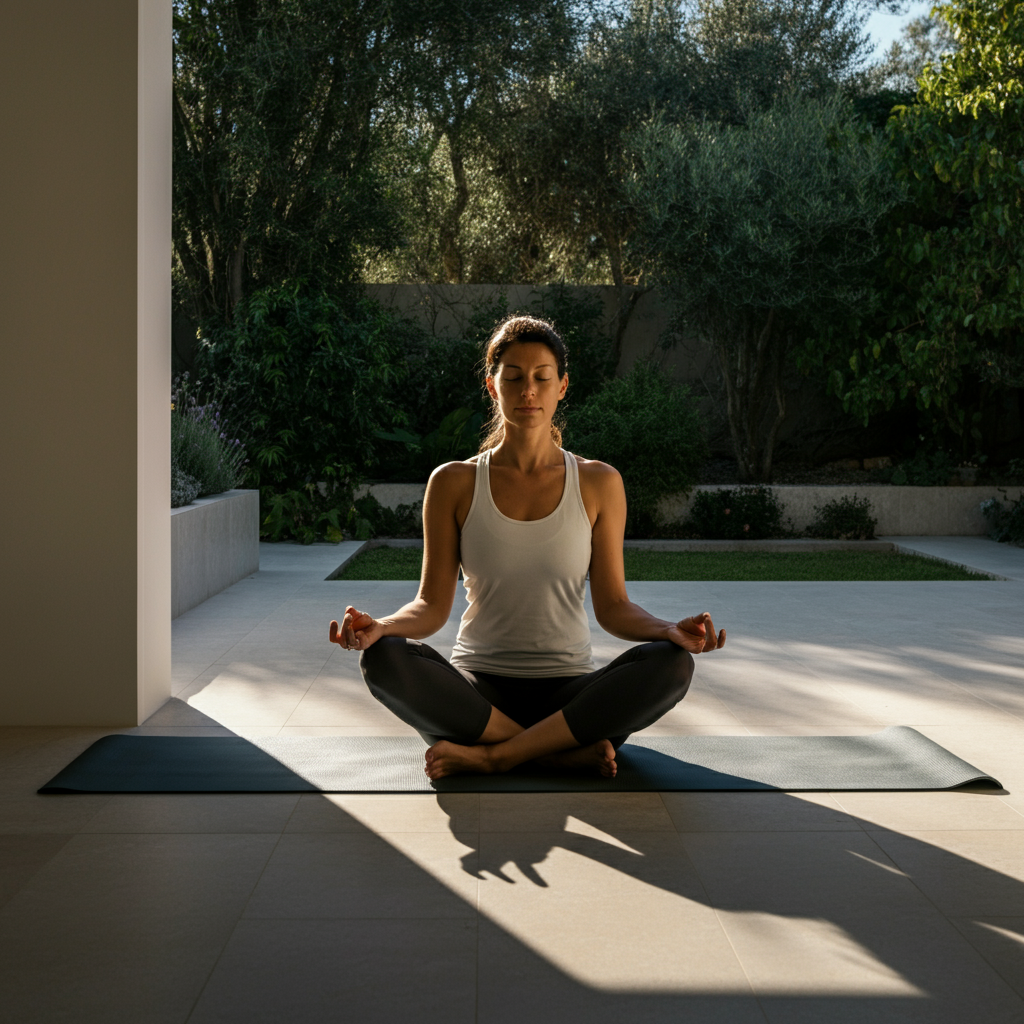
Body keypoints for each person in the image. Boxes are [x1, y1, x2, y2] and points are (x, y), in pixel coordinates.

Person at [329, 315, 725, 781]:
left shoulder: (599, 482)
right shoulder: (454, 482)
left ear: (562, 387)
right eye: (513, 377)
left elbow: (614, 607)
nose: (528, 391)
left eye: (542, 378)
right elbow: (431, 607)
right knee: (384, 658)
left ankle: (496, 756)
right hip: (476, 695)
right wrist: (382, 627)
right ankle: (555, 753)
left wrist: (667, 631)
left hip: (572, 694)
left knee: (671, 665)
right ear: (492, 387)